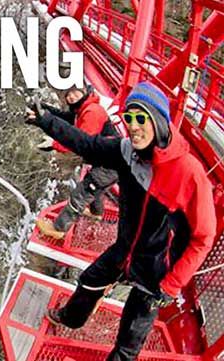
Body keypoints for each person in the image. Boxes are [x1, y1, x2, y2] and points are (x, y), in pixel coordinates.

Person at [25, 81, 216, 361]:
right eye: (129, 118)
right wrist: (46, 121)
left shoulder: (189, 173)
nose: (134, 126)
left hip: (156, 270)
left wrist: (172, 284)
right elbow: (88, 145)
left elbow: (204, 237)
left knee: (128, 341)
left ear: (160, 122)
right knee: (89, 281)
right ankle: (71, 319)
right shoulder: (127, 152)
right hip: (125, 248)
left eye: (141, 118)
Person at [36, 86, 119, 239]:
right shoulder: (84, 108)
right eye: (68, 95)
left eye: (75, 92)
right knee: (97, 190)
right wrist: (47, 111)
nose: (72, 97)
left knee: (82, 193)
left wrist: (54, 144)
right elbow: (67, 118)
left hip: (109, 165)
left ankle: (58, 229)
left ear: (84, 92)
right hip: (110, 162)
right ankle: (96, 214)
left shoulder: (92, 112)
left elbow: (80, 140)